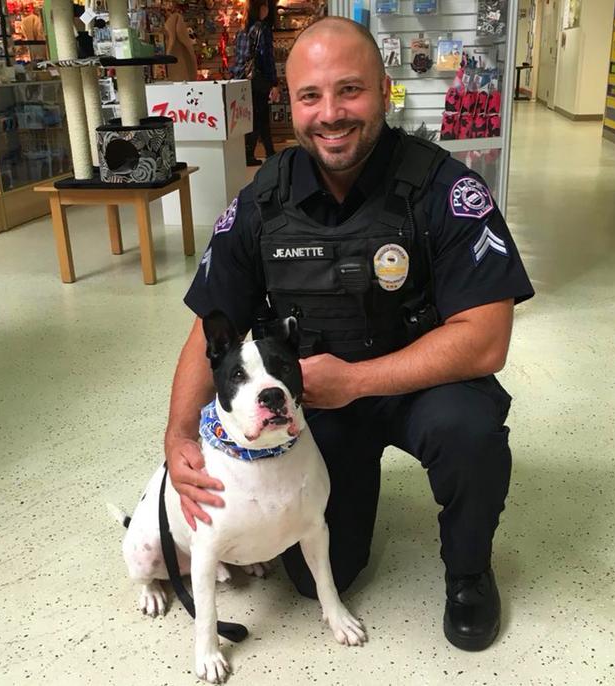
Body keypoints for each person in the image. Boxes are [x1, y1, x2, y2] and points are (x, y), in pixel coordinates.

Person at [164, 17, 534, 652]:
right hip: (316, 406)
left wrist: (356, 380)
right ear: (290, 103)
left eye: (350, 91)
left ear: (386, 91)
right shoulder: (263, 200)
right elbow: (210, 323)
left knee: (469, 430)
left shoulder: (445, 188)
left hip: (422, 384)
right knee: (316, 584)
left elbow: (486, 338)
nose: (330, 113)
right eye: (311, 96)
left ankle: (470, 571)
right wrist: (177, 436)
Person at [235, 0, 280, 166]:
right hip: (259, 79)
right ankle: (265, 153)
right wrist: (274, 82)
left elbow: (239, 58)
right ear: (260, 8)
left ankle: (263, 152)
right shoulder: (263, 29)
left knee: (255, 117)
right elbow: (267, 58)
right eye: (265, 6)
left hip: (244, 80)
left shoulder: (243, 29)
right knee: (261, 116)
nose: (267, 9)